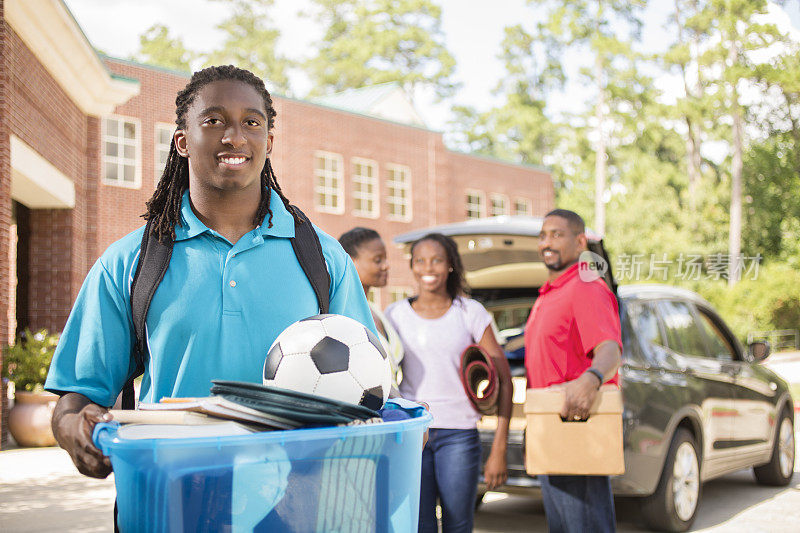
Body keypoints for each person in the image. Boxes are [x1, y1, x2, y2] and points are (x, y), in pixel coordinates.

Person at [44, 65, 375, 480]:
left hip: (299, 501)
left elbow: (369, 386)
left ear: (268, 141)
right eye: (214, 120)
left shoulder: (325, 258)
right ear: (182, 141)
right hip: (171, 495)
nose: (234, 137)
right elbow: (76, 398)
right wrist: (74, 428)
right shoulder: (129, 260)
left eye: (251, 123)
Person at [385, 232, 512, 533]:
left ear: (451, 265)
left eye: (437, 260)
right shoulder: (395, 314)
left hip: (459, 434)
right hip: (416, 433)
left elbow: (505, 380)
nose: (428, 268)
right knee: (420, 525)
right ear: (413, 266)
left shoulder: (470, 312)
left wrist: (499, 449)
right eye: (420, 261)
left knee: (458, 525)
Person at [523, 209, 622, 533]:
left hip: (577, 424)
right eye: (543, 235)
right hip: (551, 427)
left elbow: (610, 349)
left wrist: (591, 379)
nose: (547, 242)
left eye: (557, 234)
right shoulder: (548, 293)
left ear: (580, 242)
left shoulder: (586, 285)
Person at [338, 227, 404, 385]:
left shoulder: (377, 312)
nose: (386, 265)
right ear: (351, 261)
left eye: (385, 258)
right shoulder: (341, 315)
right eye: (378, 260)